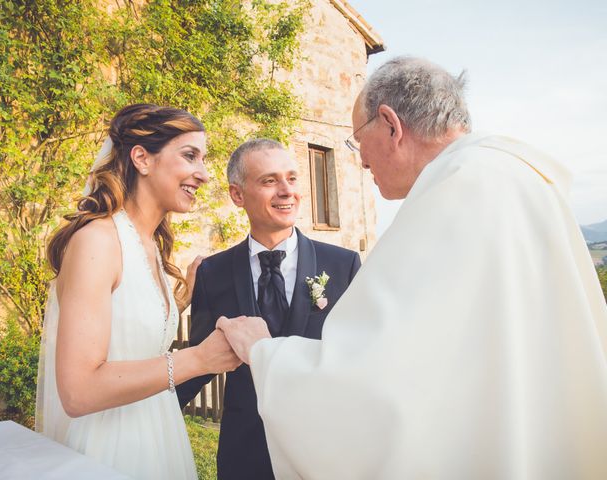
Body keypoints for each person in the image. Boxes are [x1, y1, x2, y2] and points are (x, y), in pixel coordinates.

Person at [216, 57, 607, 479]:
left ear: (390, 125)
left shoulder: (456, 193)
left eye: (356, 141)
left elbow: (377, 378)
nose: (361, 161)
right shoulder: (515, 176)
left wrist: (264, 351)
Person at [35, 103, 241, 479]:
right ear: (142, 159)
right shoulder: (98, 240)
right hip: (111, 449)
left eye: (204, 159)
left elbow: (126, 335)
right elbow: (78, 391)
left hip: (157, 435)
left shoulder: (149, 245)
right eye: (190, 156)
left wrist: (176, 304)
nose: (204, 174)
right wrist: (198, 359)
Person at [175, 139, 361, 479]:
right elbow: (198, 363)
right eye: (269, 180)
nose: (286, 191)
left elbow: (359, 361)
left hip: (322, 454)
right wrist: (144, 410)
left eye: (291, 178)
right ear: (237, 195)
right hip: (245, 456)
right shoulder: (212, 273)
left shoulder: (344, 265)